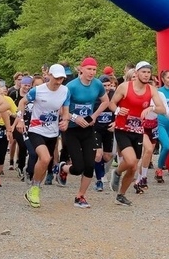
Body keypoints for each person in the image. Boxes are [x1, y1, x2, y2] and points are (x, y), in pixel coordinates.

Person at [108, 61, 166, 206]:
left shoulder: (151, 90)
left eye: (148, 72)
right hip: (122, 129)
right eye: (143, 72)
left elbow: (162, 109)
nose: (146, 75)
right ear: (136, 73)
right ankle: (116, 173)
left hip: (138, 131)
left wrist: (151, 108)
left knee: (133, 167)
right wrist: (117, 111)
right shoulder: (125, 87)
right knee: (131, 160)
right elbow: (111, 103)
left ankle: (120, 195)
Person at [56, 57, 109, 208]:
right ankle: (62, 168)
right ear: (81, 69)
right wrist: (74, 117)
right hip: (72, 129)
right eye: (89, 69)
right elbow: (60, 108)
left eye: (94, 69)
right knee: (78, 167)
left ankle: (80, 196)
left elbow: (105, 101)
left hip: (88, 128)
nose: (92, 72)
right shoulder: (71, 86)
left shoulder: (98, 84)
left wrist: (94, 115)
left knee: (90, 164)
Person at [15, 64, 69, 209]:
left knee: (45, 162)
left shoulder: (65, 91)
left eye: (61, 79)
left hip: (52, 131)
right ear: (49, 76)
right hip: (36, 129)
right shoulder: (38, 90)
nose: (58, 82)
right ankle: (34, 188)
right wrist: (20, 119)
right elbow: (22, 102)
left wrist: (65, 121)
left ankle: (34, 189)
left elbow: (65, 110)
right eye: (56, 78)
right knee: (45, 158)